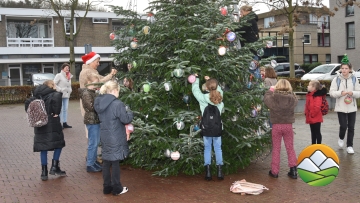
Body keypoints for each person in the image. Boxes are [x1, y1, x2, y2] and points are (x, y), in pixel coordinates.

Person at [94, 81, 133, 195]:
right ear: (115, 90)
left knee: (106, 162)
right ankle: (117, 188)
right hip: (116, 135)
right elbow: (125, 119)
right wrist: (130, 112)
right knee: (115, 163)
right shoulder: (117, 104)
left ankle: (107, 187)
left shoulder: (99, 103)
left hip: (105, 135)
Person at [79, 51, 117, 160]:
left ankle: (92, 156)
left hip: (91, 102)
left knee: (92, 131)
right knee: (91, 131)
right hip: (89, 104)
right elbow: (99, 82)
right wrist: (111, 75)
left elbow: (100, 80)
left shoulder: (91, 71)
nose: (98, 63)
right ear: (91, 62)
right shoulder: (87, 72)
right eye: (97, 61)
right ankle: (91, 157)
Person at [25, 80, 66, 181]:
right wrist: (55, 113)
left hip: (39, 124)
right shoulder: (54, 95)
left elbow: (27, 107)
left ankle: (44, 172)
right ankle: (54, 166)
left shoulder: (35, 96)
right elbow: (56, 111)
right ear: (51, 86)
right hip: (52, 123)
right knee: (59, 144)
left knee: (43, 147)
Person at [192, 75, 224, 181]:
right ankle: (219, 172)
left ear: (206, 87)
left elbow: (195, 91)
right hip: (217, 129)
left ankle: (208, 173)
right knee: (218, 148)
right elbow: (218, 89)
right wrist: (212, 82)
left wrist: (196, 79)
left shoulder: (203, 99)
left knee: (207, 149)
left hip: (206, 129)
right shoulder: (220, 98)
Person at [264, 79, 298, 179]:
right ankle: (293, 170)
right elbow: (295, 99)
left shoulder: (273, 97)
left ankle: (274, 172)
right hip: (288, 126)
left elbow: (266, 98)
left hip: (276, 126)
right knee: (290, 148)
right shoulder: (292, 98)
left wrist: (270, 90)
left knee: (276, 148)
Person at [329, 55, 360, 154]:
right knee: (343, 126)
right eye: (342, 68)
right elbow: (332, 93)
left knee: (351, 127)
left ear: (350, 69)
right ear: (340, 69)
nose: (344, 70)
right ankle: (341, 137)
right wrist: (340, 93)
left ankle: (349, 146)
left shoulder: (354, 79)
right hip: (340, 107)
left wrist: (353, 93)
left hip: (352, 107)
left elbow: (359, 93)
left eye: (346, 68)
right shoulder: (336, 79)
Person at [79, 81, 103, 172]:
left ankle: (93, 161)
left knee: (95, 142)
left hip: (95, 119)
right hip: (92, 120)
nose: (97, 83)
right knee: (93, 143)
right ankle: (90, 164)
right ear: (88, 82)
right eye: (94, 81)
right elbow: (91, 107)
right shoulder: (86, 93)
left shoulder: (92, 93)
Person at [305, 80, 327, 144]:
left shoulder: (317, 96)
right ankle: (313, 145)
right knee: (313, 132)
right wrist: (307, 113)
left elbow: (317, 107)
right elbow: (307, 106)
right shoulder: (309, 95)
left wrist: (312, 114)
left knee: (317, 132)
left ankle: (319, 146)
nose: (307, 86)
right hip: (311, 117)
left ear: (313, 87)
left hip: (316, 117)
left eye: (309, 85)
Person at [54, 63, 73, 129]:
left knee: (65, 109)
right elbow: (54, 84)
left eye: (68, 68)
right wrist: (60, 90)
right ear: (62, 69)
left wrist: (70, 90)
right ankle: (59, 123)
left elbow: (69, 85)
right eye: (66, 68)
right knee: (60, 109)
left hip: (66, 95)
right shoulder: (59, 75)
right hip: (60, 95)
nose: (67, 69)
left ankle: (65, 123)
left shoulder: (69, 76)